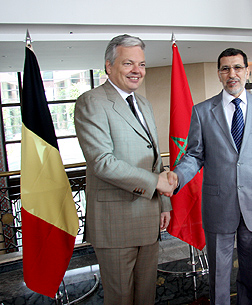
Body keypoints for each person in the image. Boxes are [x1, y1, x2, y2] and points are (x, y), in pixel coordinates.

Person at [165, 48, 252, 305]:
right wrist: (177, 177)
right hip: (219, 204)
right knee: (218, 273)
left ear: (247, 71)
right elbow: (195, 156)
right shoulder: (202, 111)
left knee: (251, 270)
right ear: (219, 74)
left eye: (237, 68)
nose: (232, 74)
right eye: (225, 69)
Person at [74, 34, 173, 305]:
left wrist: (163, 204)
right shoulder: (91, 102)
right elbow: (102, 162)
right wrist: (156, 183)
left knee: (146, 297)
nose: (137, 71)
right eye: (128, 63)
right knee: (120, 299)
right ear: (109, 66)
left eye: (141, 64)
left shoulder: (143, 104)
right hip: (115, 223)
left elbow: (155, 159)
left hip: (149, 218)